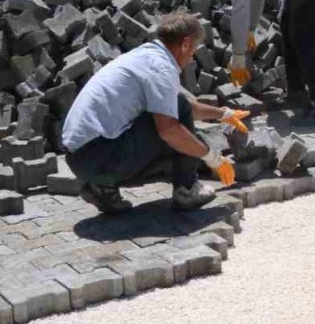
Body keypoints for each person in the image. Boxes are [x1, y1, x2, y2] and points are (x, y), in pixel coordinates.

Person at [62, 12, 245, 215]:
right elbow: (171, 127)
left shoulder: (147, 56)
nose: (193, 56)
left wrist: (224, 113)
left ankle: (101, 188)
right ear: (185, 44)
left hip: (80, 158)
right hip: (100, 156)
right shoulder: (161, 67)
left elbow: (188, 106)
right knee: (176, 133)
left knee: (179, 129)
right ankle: (187, 190)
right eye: (193, 49)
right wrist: (212, 158)